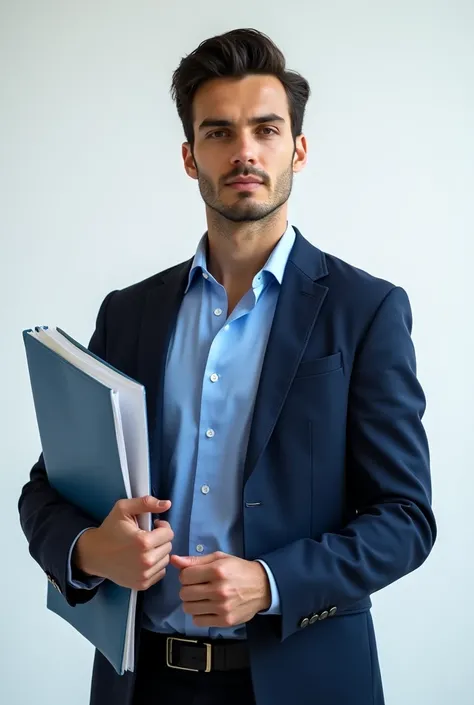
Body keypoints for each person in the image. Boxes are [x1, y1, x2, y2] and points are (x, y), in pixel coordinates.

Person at [18, 27, 437, 705]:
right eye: (218, 132)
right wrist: (93, 550)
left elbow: (406, 518)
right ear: (190, 157)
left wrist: (270, 580)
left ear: (297, 148)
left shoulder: (367, 310)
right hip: (142, 683)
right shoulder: (128, 314)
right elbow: (47, 487)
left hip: (306, 681)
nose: (244, 150)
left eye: (266, 129)